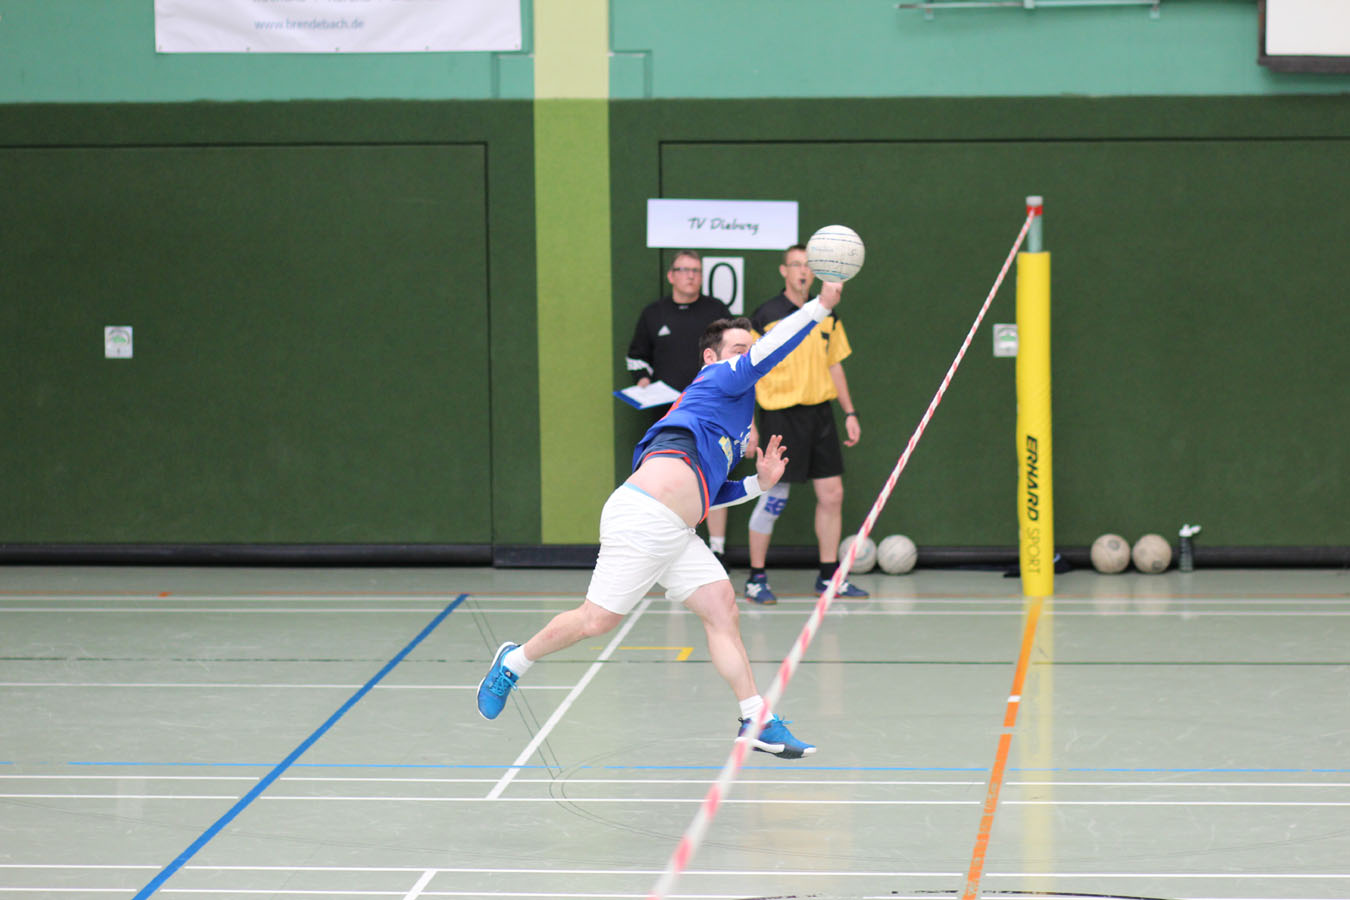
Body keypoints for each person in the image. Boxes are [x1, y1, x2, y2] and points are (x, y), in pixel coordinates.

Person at [476, 281, 852, 758]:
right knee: (595, 621)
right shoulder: (718, 382)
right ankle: (514, 662)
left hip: (678, 532)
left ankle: (755, 718)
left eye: (749, 347)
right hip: (643, 517)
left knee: (722, 607)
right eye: (738, 348)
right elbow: (769, 352)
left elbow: (712, 493)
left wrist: (759, 482)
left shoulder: (736, 419)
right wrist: (819, 307)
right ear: (712, 358)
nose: (747, 354)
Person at [743, 244, 868, 605]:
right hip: (780, 416)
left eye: (807, 266)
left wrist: (849, 412)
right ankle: (756, 578)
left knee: (832, 495)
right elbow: (748, 373)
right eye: (795, 265)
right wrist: (750, 426)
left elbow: (834, 365)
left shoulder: (828, 314)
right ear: (784, 271)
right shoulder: (766, 316)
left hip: (820, 415)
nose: (802, 271)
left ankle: (829, 577)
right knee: (773, 498)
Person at [625, 250, 734, 560]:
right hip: (669, 416)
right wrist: (642, 379)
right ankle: (671, 549)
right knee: (670, 480)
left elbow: (734, 358)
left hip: (712, 412)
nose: (691, 276)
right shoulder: (653, 314)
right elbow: (636, 357)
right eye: (684, 270)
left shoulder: (717, 311)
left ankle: (717, 551)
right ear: (671, 275)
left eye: (696, 270)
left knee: (714, 477)